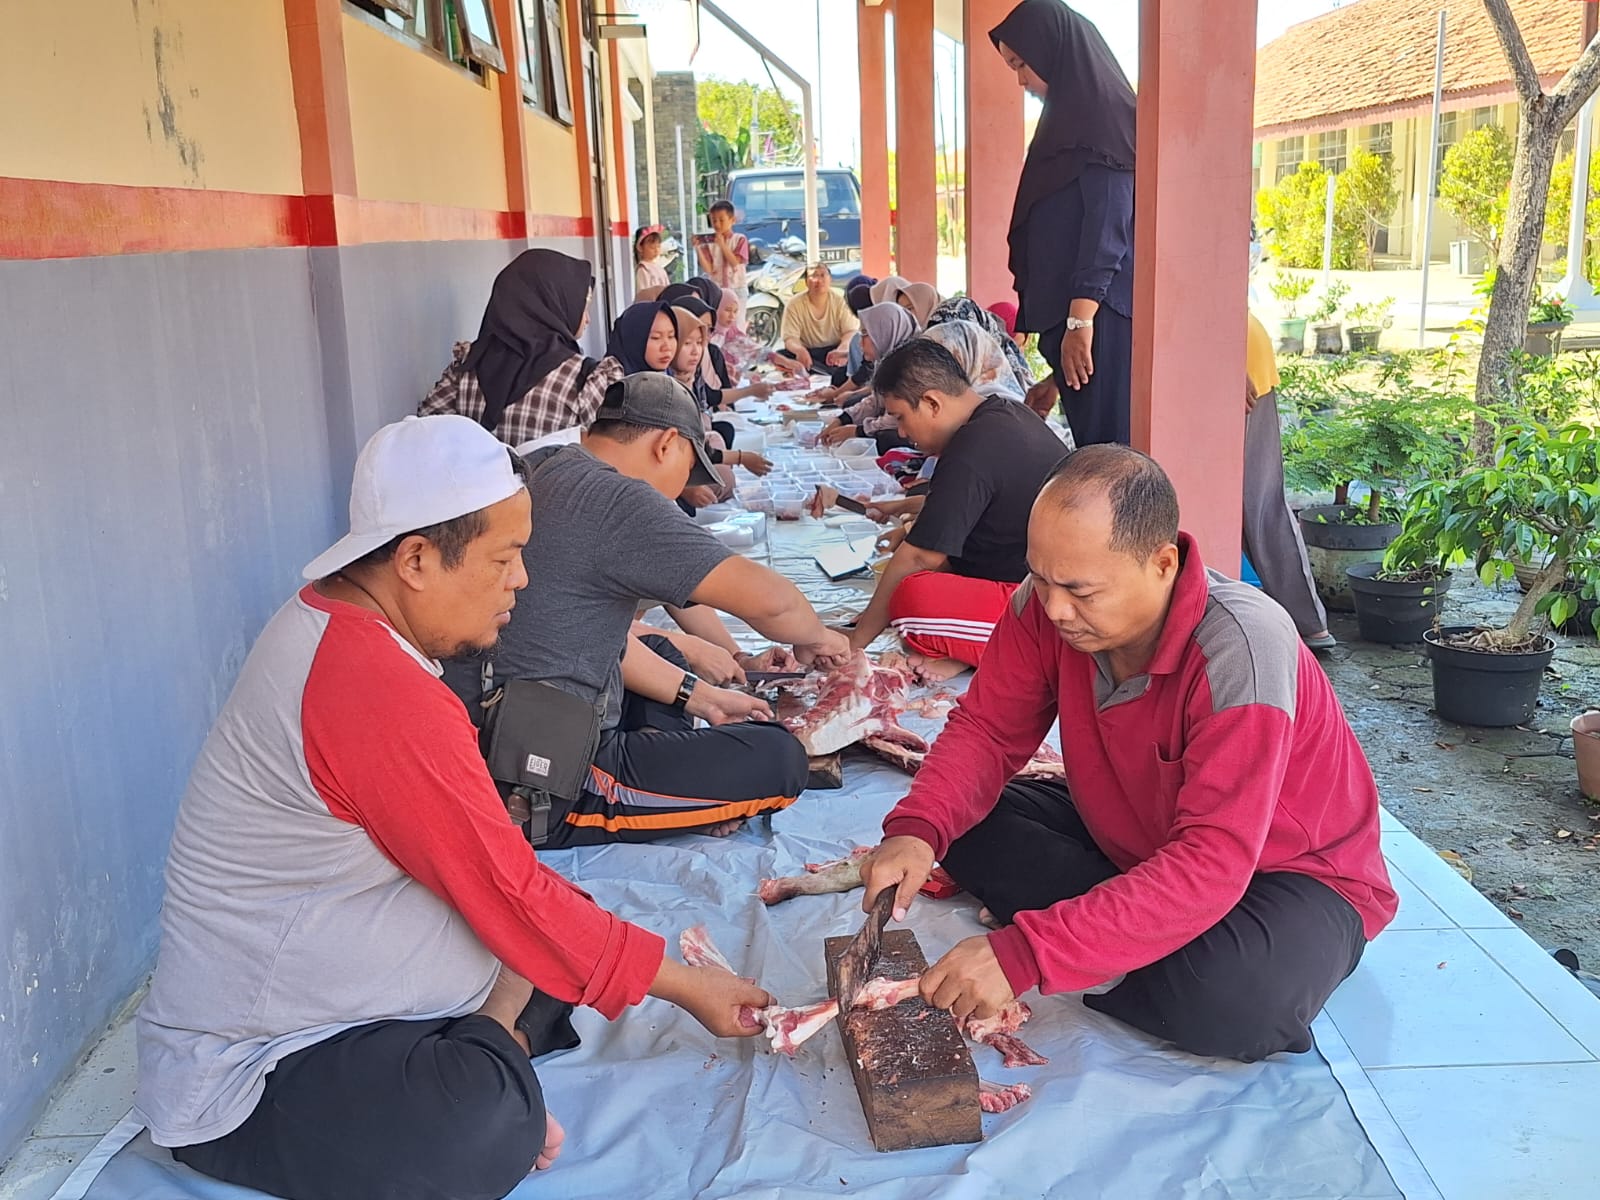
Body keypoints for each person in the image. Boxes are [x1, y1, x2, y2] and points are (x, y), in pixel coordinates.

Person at [133, 415, 773, 1200]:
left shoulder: (358, 633)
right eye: (505, 558)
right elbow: (507, 886)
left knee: (557, 946)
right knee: (476, 1125)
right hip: (257, 1064)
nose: (521, 580)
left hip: (368, 980)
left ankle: (493, 1027)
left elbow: (494, 869)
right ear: (415, 561)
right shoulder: (369, 684)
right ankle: (492, 1042)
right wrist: (687, 985)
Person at [859, 445, 1398, 1063]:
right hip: (1138, 836)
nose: (1055, 608)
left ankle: (1126, 931)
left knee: (1236, 1005)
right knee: (966, 825)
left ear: (1163, 564)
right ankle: (1130, 926)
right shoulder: (1043, 609)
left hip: (1286, 875)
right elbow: (985, 731)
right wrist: (918, 829)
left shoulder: (1241, 648)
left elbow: (1214, 859)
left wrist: (1027, 953)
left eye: (1081, 590)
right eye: (1040, 577)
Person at [490, 374, 854, 846]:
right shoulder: (616, 500)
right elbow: (771, 602)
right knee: (780, 760)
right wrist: (819, 637)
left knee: (666, 651)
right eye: (688, 470)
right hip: (546, 779)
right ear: (666, 444)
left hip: (515, 721)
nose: (682, 491)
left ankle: (675, 797)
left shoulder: (550, 465)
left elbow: (598, 637)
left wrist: (703, 698)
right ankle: (637, 800)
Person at [843, 340, 1068, 681]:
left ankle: (1006, 649)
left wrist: (856, 641)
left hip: (1046, 606)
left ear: (932, 402)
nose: (902, 433)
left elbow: (920, 557)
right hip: (1025, 585)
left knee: (910, 601)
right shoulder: (1003, 413)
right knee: (904, 591)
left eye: (902, 418)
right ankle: (968, 650)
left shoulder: (972, 449)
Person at [991, 0, 1136, 447]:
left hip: (1100, 323)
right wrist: (1056, 376)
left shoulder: (1103, 118)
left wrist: (1078, 323)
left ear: (1051, 49)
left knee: (1111, 457)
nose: (1021, 80)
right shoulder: (1067, 123)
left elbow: (1106, 228)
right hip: (1080, 325)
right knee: (1094, 451)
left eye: (1022, 64)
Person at [420, 248, 624, 447]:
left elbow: (426, 430)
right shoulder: (584, 379)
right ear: (554, 302)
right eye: (582, 307)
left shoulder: (467, 367)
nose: (587, 319)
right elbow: (613, 452)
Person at [1246, 311, 1334, 650]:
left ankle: (1308, 623)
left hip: (1237, 364)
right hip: (1220, 357)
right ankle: (1305, 622)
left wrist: (1226, 359)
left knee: (1258, 505)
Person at [822, 303, 922, 452]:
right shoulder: (885, 362)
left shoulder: (911, 365)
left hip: (915, 438)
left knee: (887, 438)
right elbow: (875, 400)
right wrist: (843, 419)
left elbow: (895, 419)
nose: (860, 343)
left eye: (865, 334)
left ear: (885, 332)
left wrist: (858, 431)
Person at [780, 264, 859, 385]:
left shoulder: (840, 301)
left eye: (823, 275)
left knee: (853, 357)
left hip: (833, 352)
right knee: (781, 357)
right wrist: (800, 350)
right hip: (808, 353)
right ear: (806, 282)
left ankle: (825, 372)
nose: (819, 280)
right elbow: (790, 338)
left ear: (830, 279)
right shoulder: (794, 303)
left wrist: (842, 349)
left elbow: (850, 332)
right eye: (813, 276)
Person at [693, 200, 750, 327]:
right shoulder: (709, 243)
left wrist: (722, 244)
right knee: (718, 323)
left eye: (721, 220)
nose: (717, 224)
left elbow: (735, 262)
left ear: (732, 220)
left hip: (737, 287)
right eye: (714, 220)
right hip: (717, 289)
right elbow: (709, 269)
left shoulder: (740, 239)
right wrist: (698, 249)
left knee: (737, 323)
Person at [608, 299, 678, 374]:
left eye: (671, 336)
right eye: (656, 337)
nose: (667, 348)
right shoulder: (612, 373)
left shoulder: (668, 374)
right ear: (634, 340)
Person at [634, 225, 670, 294]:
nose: (656, 250)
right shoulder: (643, 269)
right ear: (640, 248)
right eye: (652, 247)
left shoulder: (659, 268)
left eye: (658, 246)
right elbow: (643, 295)